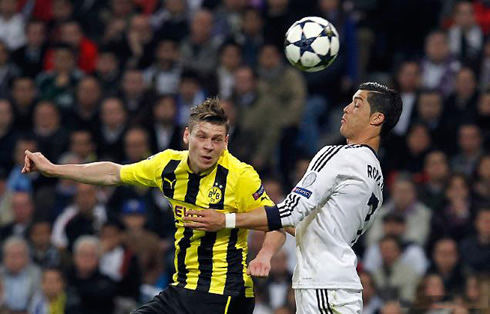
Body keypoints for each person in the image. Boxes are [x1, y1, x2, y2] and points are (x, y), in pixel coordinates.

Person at [21, 98, 285, 314]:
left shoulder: (240, 175)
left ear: (226, 143)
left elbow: (277, 222)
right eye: (201, 137)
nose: (208, 146)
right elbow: (114, 173)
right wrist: (54, 170)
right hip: (181, 289)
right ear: (186, 135)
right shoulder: (167, 165)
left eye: (216, 139)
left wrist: (264, 255)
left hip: (225, 294)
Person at [184, 82, 403, 313]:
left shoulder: (337, 155)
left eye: (357, 105)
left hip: (322, 284)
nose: (346, 109)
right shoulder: (376, 176)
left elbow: (290, 212)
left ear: (376, 118)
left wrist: (224, 220)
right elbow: (312, 229)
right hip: (339, 285)